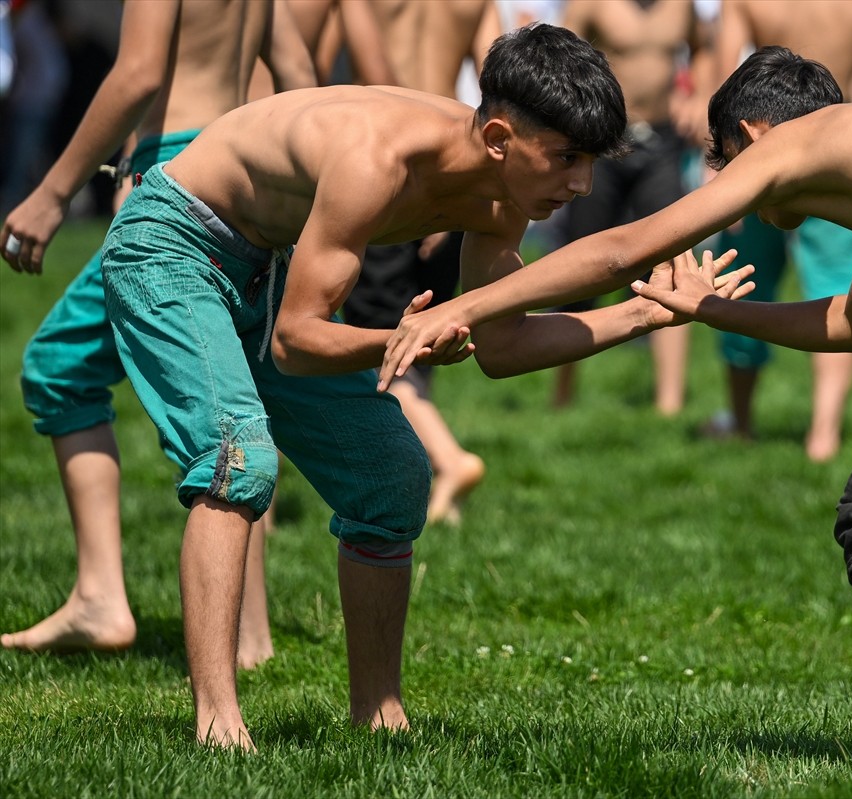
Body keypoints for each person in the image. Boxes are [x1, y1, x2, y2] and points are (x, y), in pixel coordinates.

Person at [384, 47, 852, 785]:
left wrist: (463, 307)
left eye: (727, 161)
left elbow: (627, 249)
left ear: (753, 136)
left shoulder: (792, 141)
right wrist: (710, 309)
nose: (733, 183)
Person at [8, 23, 741, 751]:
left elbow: (504, 346)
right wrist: (401, 337)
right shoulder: (376, 158)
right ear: (498, 138)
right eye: (567, 158)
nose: (582, 184)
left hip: (264, 262)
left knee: (392, 477)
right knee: (236, 457)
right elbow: (297, 343)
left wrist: (644, 314)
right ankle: (218, 726)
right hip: (171, 244)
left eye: (590, 162)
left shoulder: (503, 195)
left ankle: (379, 714)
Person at [0, 0, 315, 665]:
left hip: (180, 177)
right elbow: (297, 75)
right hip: (245, 169)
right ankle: (251, 636)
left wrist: (53, 194)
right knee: (238, 401)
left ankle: (99, 597)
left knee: (59, 366)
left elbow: (139, 73)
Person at [702, 0, 852, 457]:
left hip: (759, 155)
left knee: (741, 285)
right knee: (839, 289)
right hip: (835, 157)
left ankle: (740, 421)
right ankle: (823, 435)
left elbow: (726, 76)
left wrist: (720, 176)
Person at [337, 0, 499, 525]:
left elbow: (349, 73)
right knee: (429, 336)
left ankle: (447, 460)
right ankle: (424, 467)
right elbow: (499, 83)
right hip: (454, 168)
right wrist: (460, 188)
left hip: (385, 165)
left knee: (380, 338)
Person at [547, 0, 717, 416]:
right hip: (605, 141)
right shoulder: (592, 3)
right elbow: (558, 60)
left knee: (673, 259)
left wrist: (698, 96)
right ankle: (562, 392)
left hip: (662, 142)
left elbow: (704, 49)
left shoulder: (681, 6)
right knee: (579, 264)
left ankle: (669, 404)